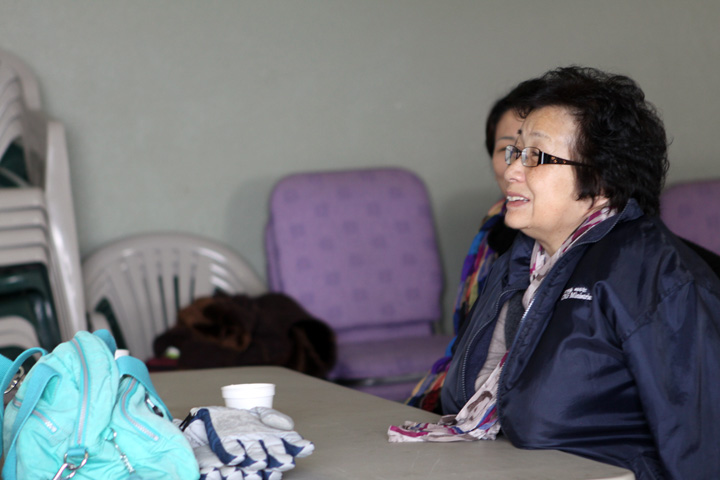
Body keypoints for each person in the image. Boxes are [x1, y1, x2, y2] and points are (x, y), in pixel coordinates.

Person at [437, 66, 720, 479]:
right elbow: (462, 397)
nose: (511, 170)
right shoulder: (518, 261)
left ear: (601, 180)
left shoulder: (655, 278)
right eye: (515, 152)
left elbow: (703, 454)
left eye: (535, 156)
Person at [405, 80, 540, 411]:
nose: (516, 167)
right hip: (465, 388)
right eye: (507, 150)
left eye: (534, 152)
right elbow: (467, 339)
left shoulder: (580, 242)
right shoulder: (495, 222)